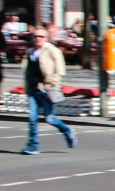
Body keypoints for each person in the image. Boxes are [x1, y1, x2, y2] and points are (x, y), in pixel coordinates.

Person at [21, 26, 76, 154]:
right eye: (35, 36)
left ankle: (67, 131)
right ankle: (33, 145)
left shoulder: (52, 51)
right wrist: (26, 86)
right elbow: (27, 71)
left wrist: (51, 83)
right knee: (32, 118)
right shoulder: (30, 52)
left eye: (41, 36)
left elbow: (60, 70)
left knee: (49, 118)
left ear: (46, 38)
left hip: (46, 89)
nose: (38, 39)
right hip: (32, 89)